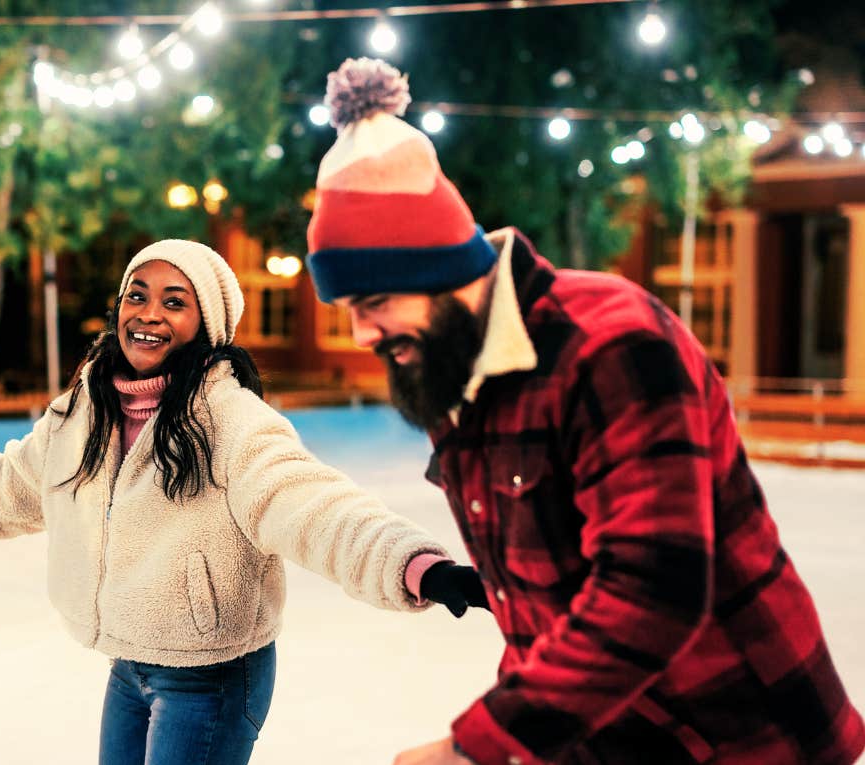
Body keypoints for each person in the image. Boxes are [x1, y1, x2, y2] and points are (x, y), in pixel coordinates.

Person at [304, 58, 865, 765]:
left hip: (743, 736)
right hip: (607, 736)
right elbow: (539, 614)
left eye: (373, 303)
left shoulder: (611, 344)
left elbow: (654, 585)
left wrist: (473, 747)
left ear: (436, 269)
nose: (363, 335)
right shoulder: (457, 375)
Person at [0, 239, 487, 765]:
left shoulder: (230, 420)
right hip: (131, 665)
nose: (147, 313)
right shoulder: (85, 408)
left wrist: (415, 565)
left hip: (212, 676)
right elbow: (7, 484)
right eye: (137, 295)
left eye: (175, 301)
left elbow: (311, 504)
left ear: (208, 323)